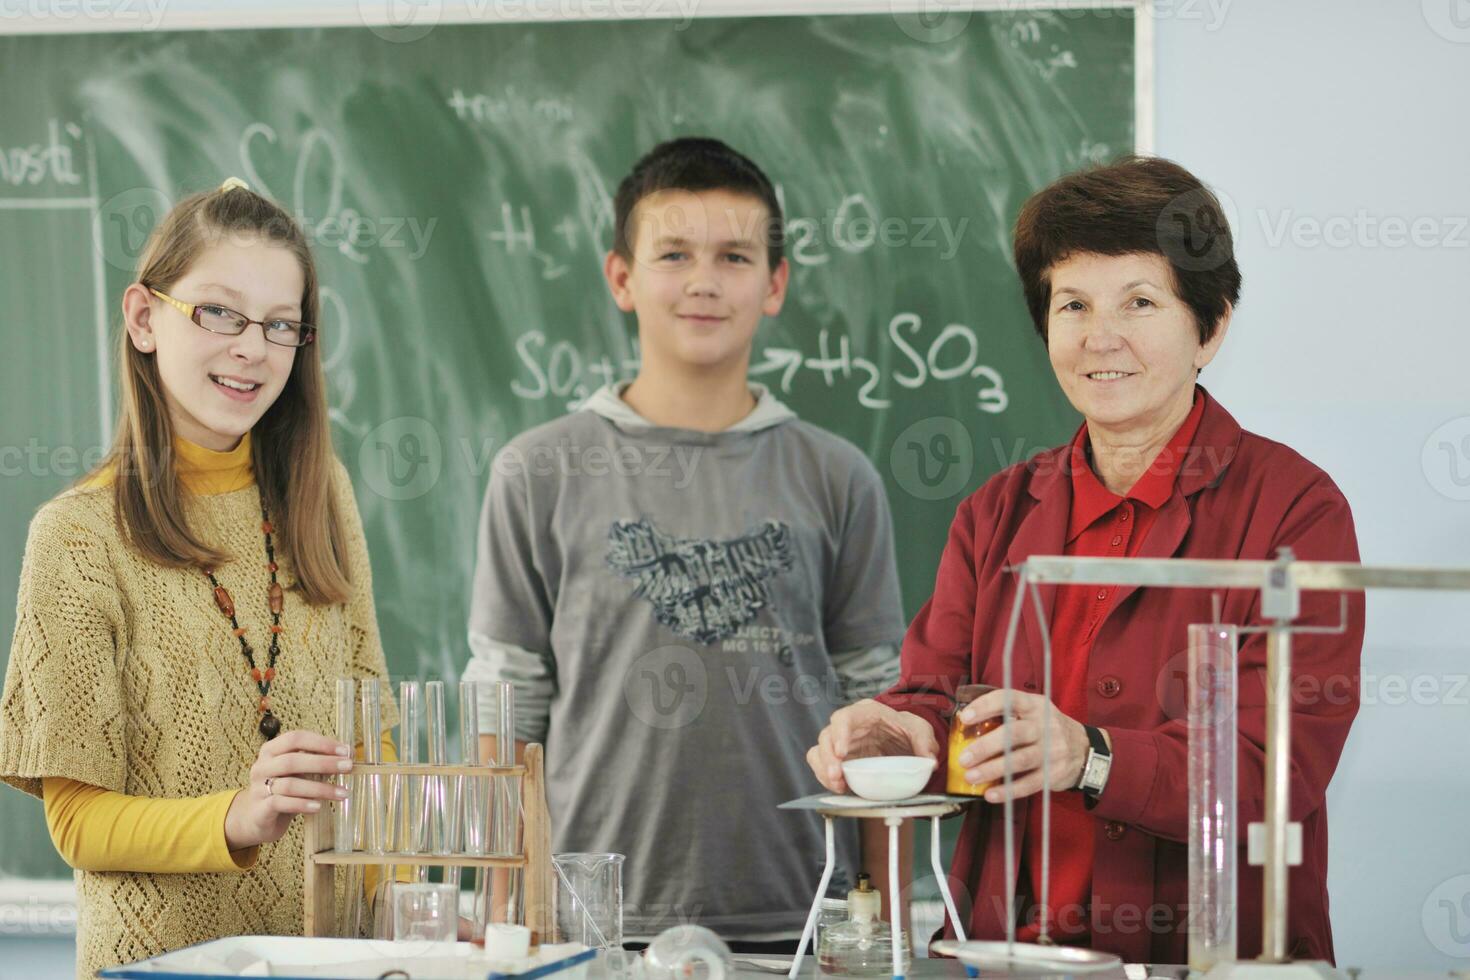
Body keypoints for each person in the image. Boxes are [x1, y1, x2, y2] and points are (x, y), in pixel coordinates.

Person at [805, 156, 1364, 964]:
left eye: (1139, 301)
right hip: (1010, 953)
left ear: (1210, 325)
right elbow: (937, 701)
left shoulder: (1295, 511)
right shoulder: (996, 512)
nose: (1101, 338)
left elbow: (1277, 768)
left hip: (1211, 958)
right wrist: (897, 737)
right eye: (1073, 305)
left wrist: (1090, 756)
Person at [464, 137, 908, 949]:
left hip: (808, 919)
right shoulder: (538, 471)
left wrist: (889, 927)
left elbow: (875, 705)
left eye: (734, 256)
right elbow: (507, 707)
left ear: (774, 285)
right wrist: (505, 918)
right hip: (589, 921)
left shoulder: (838, 477)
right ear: (622, 278)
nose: (703, 281)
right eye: (673, 254)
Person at [0, 179, 397, 978]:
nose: (253, 347)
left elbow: (374, 743)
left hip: (333, 959)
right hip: (162, 965)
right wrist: (238, 819)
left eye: (281, 325)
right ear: (145, 318)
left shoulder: (325, 499)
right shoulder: (78, 535)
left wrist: (413, 913)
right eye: (219, 312)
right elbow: (76, 821)